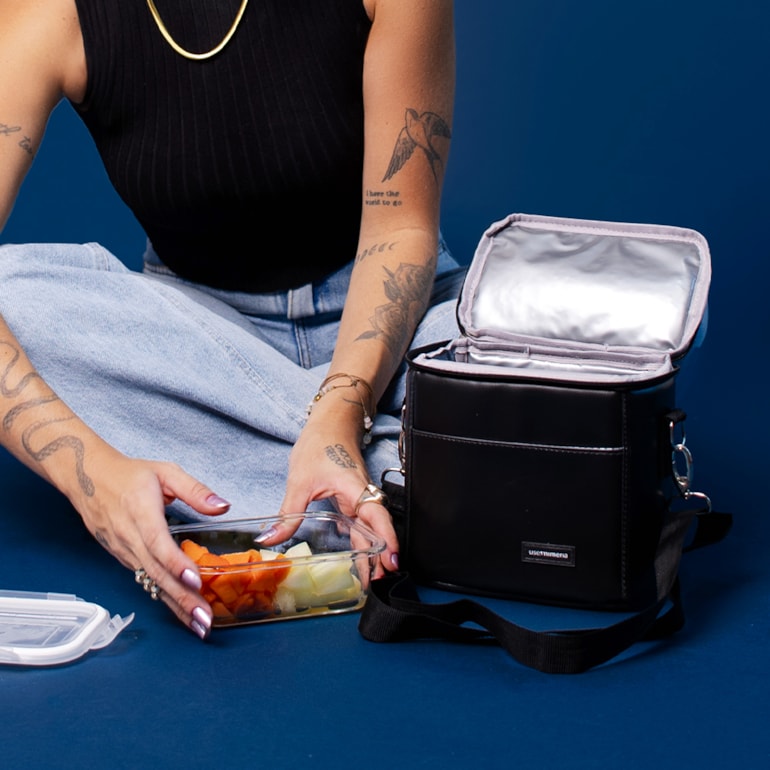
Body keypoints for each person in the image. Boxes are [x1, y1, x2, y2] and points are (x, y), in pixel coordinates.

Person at [0, 0, 464, 640]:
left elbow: (402, 229)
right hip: (204, 345)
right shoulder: (50, 13)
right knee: (14, 294)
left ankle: (291, 482)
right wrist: (93, 480)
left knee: (522, 353)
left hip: (389, 324)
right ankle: (399, 478)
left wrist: (338, 413)